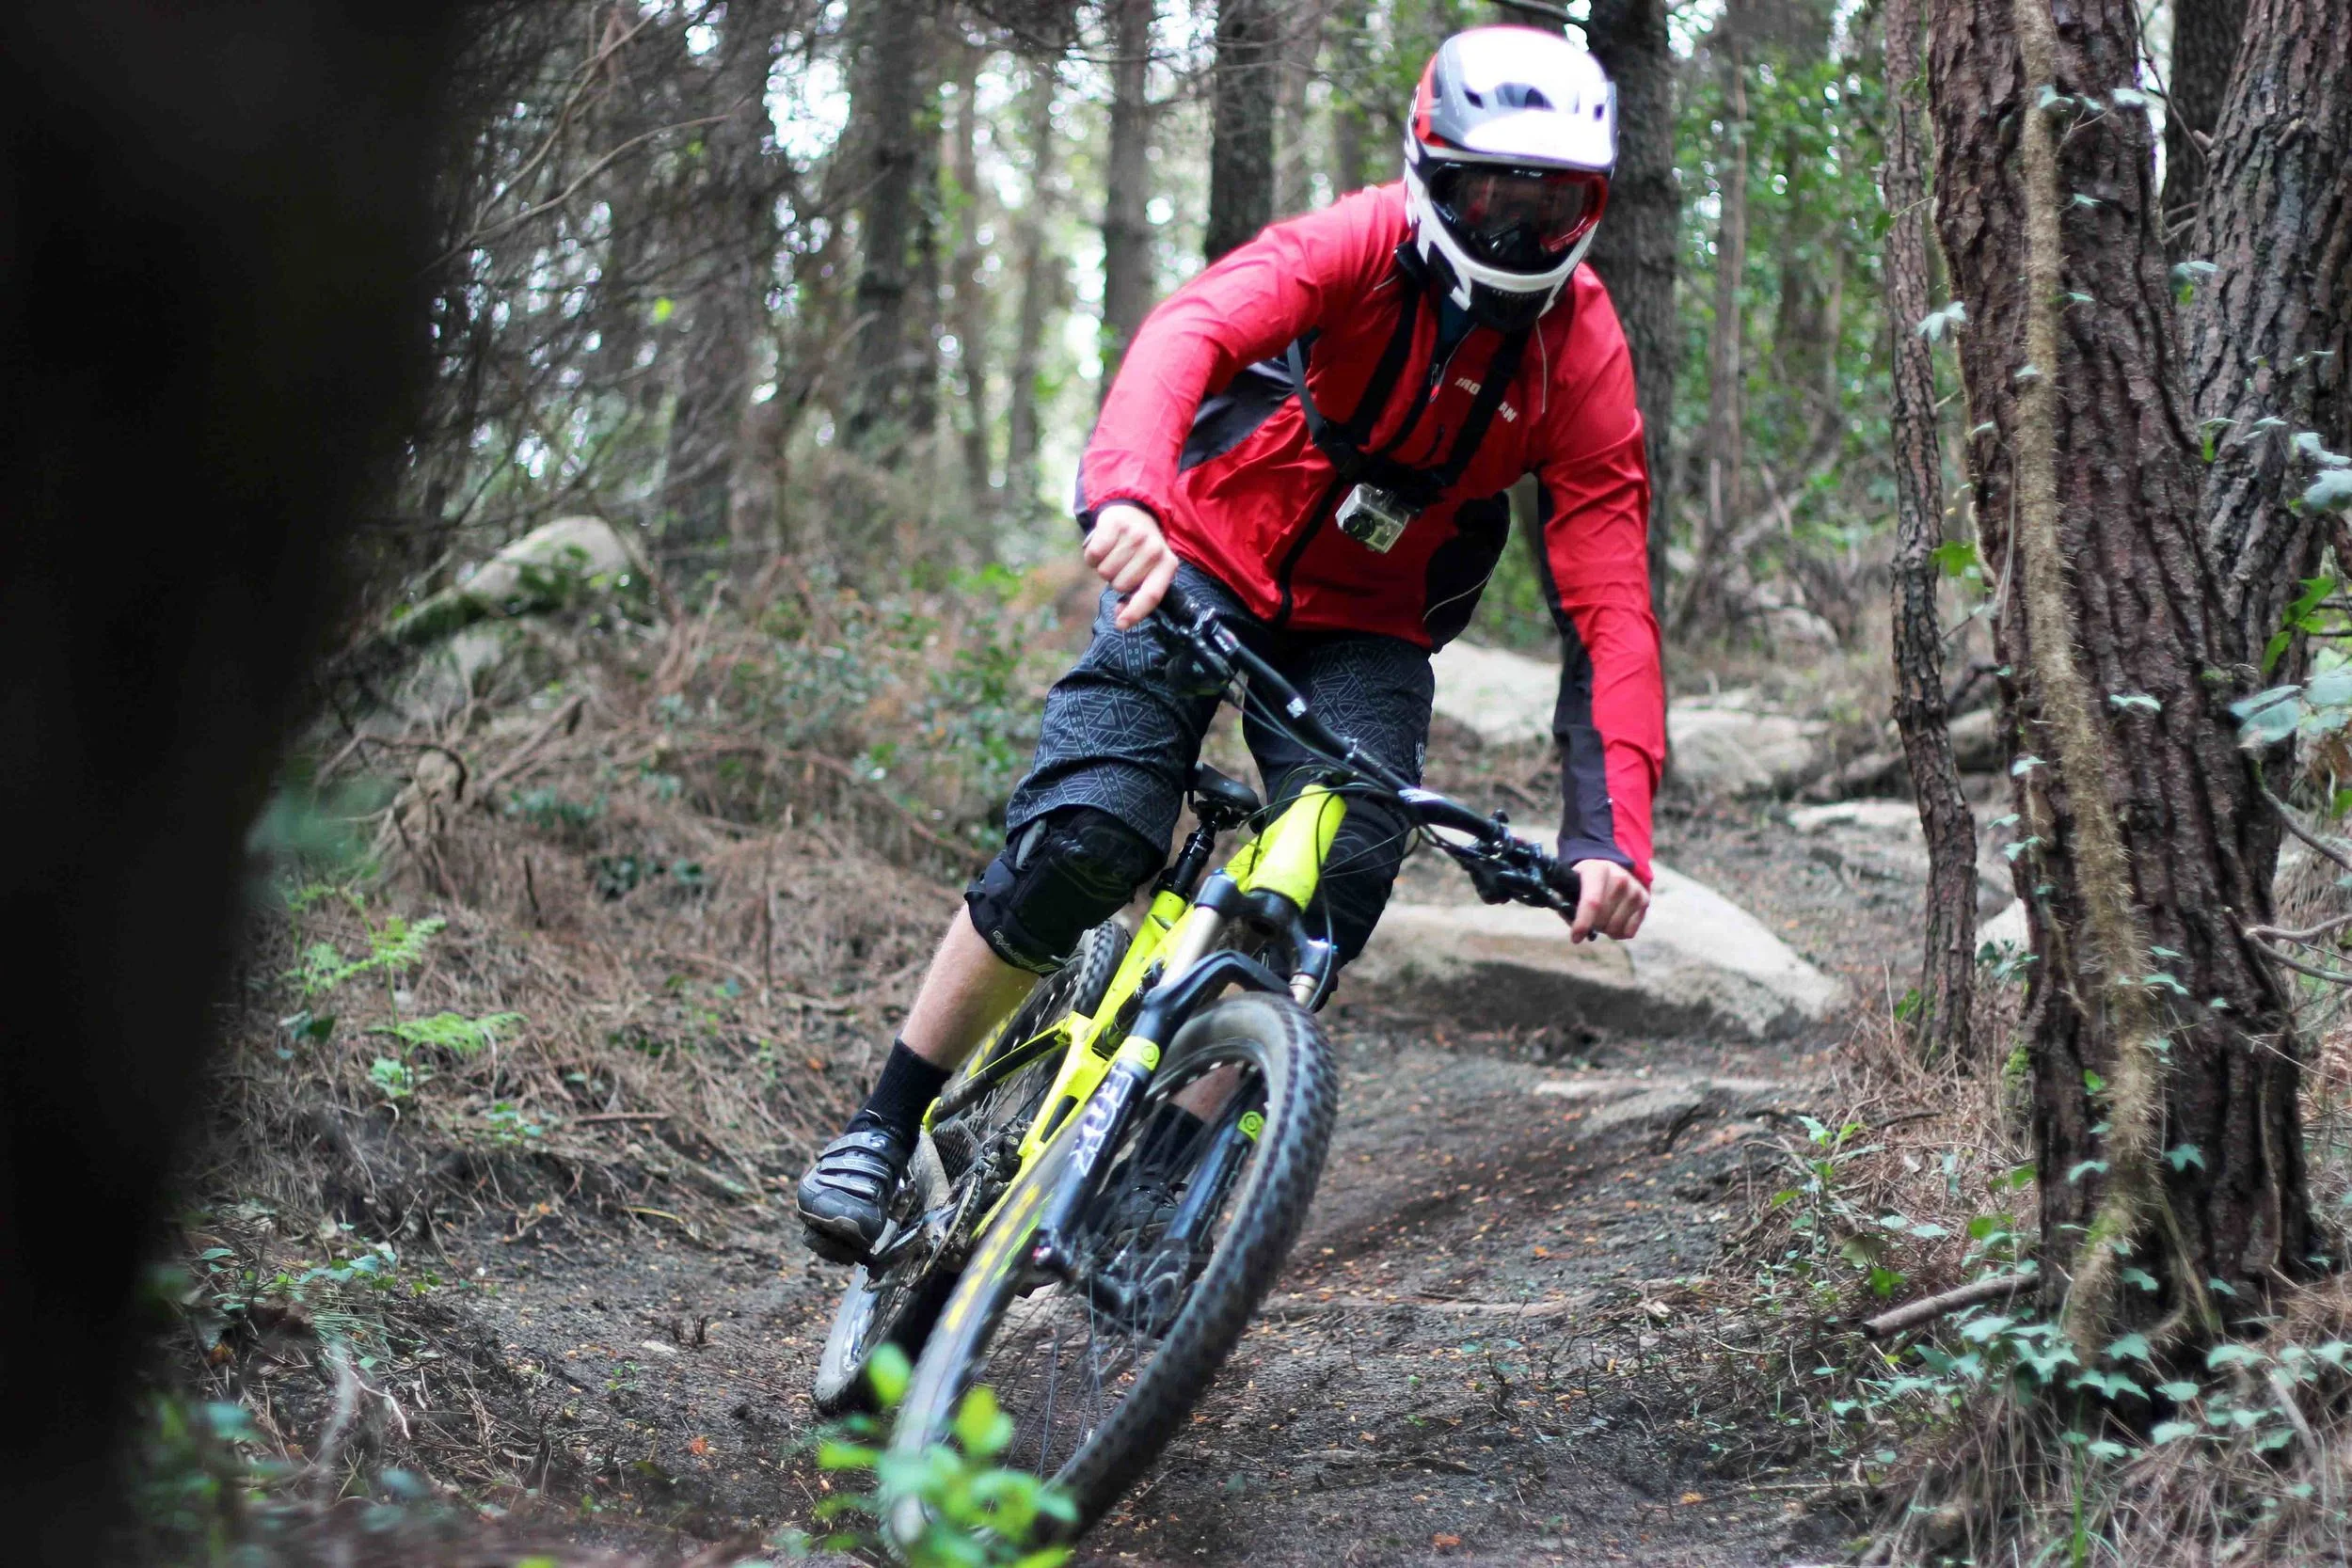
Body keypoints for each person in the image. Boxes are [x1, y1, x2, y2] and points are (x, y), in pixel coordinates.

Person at [797, 25, 1664, 1263]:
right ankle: (886, 1122)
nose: (1521, 227)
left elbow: (1610, 599)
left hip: (1365, 623)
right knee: (1090, 835)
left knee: (1346, 862)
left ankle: (1167, 1160)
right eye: (1493, 192)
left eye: (1555, 201)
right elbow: (1190, 332)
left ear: (1594, 205)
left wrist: (1609, 832)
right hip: (1197, 549)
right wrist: (1131, 498)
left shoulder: (1582, 353)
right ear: (1433, 168)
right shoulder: (1355, 243)